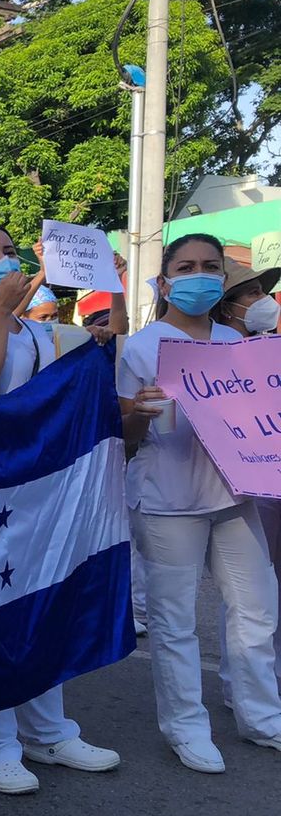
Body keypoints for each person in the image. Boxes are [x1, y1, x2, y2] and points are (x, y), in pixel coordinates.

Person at [0, 222, 121, 795]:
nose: (4, 261)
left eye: (9, 252)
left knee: (40, 604)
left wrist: (112, 298)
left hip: (32, 493)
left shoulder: (37, 331)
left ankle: (48, 732)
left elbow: (98, 362)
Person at [119, 236, 281, 772]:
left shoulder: (237, 343)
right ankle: (186, 726)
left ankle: (262, 716)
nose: (200, 276)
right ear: (165, 282)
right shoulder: (142, 348)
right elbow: (123, 437)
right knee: (174, 620)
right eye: (186, 267)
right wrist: (139, 414)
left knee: (257, 608)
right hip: (168, 501)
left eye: (210, 267)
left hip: (236, 496)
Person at [211, 258, 281, 709]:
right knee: (251, 590)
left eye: (263, 291)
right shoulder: (211, 357)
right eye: (253, 293)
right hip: (246, 489)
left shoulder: (269, 349)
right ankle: (242, 684)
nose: (264, 301)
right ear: (227, 307)